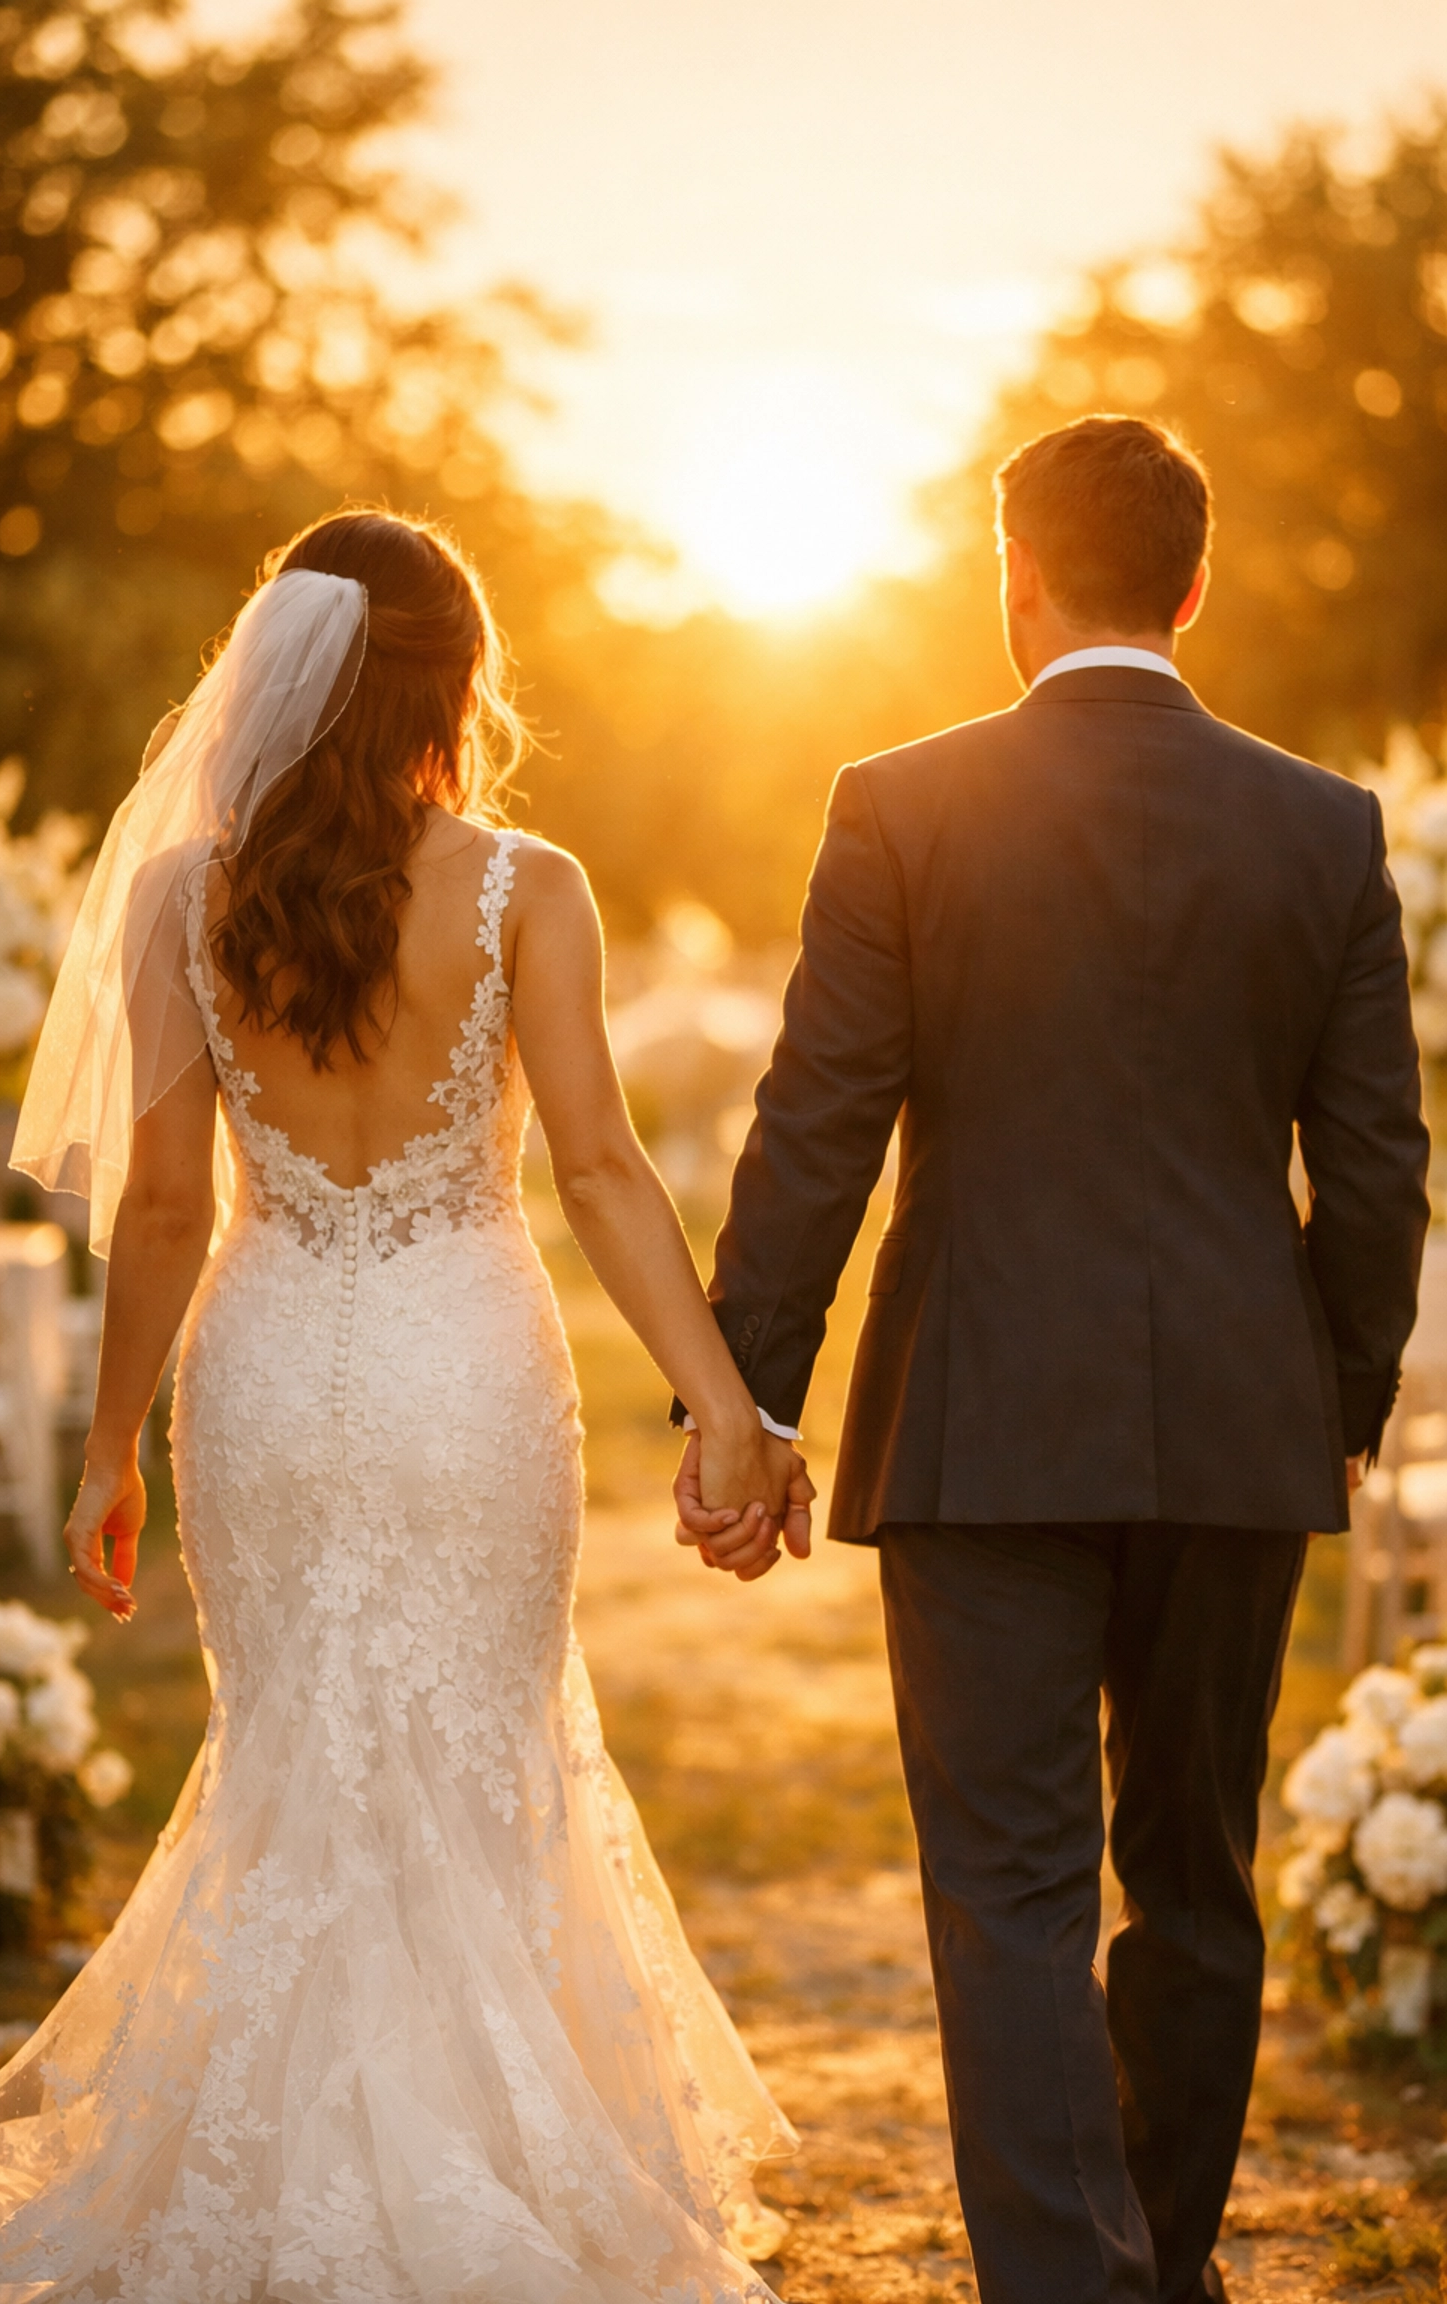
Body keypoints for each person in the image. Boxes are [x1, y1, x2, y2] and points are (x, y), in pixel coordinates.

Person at [0, 509, 805, 2304]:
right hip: (465, 1368)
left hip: (260, 1377)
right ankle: (476, 2159)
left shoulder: (188, 894)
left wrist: (106, 1450)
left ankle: (278, 2158)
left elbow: (163, 1212)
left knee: (293, 1756)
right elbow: (608, 1173)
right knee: (478, 1752)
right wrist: (727, 1407)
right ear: (454, 681)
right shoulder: (521, 887)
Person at [675, 414, 1431, 2304]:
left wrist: (752, 1397)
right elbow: (1378, 1165)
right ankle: (1155, 2276)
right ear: (1194, 589)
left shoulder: (901, 805)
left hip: (980, 1426)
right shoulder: (1322, 825)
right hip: (1239, 1434)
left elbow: (819, 1120)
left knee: (1005, 1891)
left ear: (1012, 583)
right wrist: (1329, 1409)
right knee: (1194, 1880)